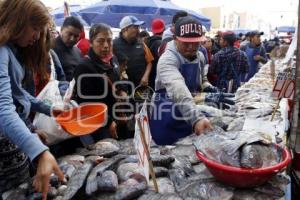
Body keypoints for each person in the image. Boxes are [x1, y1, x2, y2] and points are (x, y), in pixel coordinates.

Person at [0, 0, 64, 199]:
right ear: (17, 21)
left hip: (12, 144)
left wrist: (50, 109)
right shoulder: (2, 50)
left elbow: (18, 93)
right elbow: (3, 108)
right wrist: (39, 151)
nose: (37, 37)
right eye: (35, 29)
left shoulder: (11, 49)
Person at [149, 16, 234, 145]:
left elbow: (201, 80)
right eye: (186, 42)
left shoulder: (199, 56)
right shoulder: (167, 60)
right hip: (165, 114)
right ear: (175, 39)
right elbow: (178, 89)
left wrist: (208, 88)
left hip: (187, 111)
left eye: (195, 42)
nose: (191, 47)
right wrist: (196, 118)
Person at [73, 23, 130, 142]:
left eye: (109, 41)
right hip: (100, 126)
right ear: (91, 42)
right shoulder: (84, 67)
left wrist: (123, 90)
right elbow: (87, 104)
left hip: (118, 117)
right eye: (100, 41)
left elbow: (117, 79)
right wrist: (108, 122)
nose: (106, 46)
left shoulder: (112, 59)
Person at [113, 16, 154, 88]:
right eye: (135, 27)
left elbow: (149, 62)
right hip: (122, 88)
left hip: (140, 86)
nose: (139, 30)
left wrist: (146, 76)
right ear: (125, 29)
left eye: (138, 27)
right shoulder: (113, 45)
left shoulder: (141, 44)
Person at [53, 16, 83, 81]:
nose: (72, 39)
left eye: (76, 36)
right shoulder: (49, 48)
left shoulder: (78, 51)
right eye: (69, 34)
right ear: (61, 29)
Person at [146, 18, 165, 89]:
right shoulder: (162, 44)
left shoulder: (145, 43)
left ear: (152, 30)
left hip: (148, 78)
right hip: (159, 80)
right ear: (164, 29)